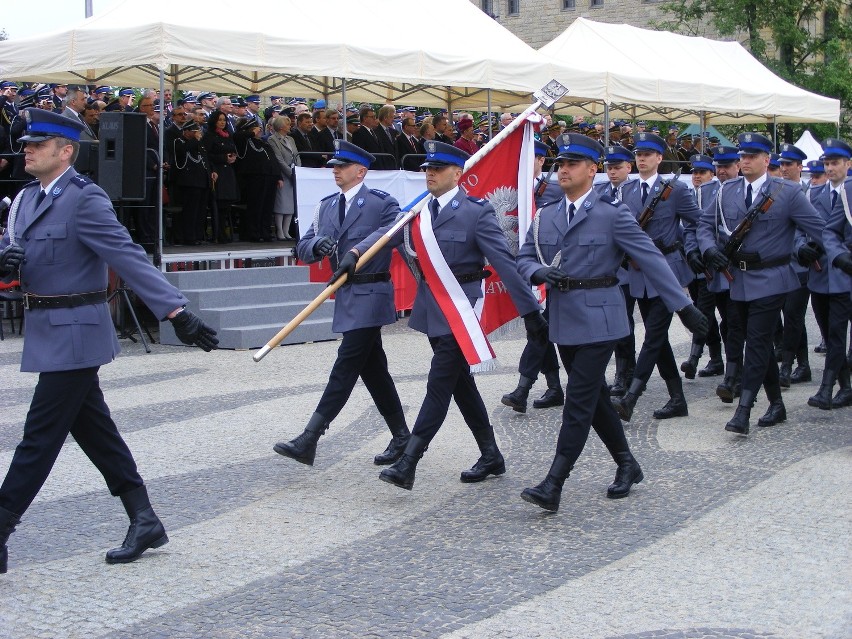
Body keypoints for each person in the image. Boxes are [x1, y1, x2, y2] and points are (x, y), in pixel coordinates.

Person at [0, 108, 218, 574]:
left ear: (66, 151)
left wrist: (175, 310)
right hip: (46, 330)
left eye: (38, 145)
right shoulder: (23, 200)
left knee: (38, 438)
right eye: (27, 145)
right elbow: (11, 253)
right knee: (94, 430)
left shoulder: (85, 198)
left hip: (77, 332)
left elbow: (127, 254)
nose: (28, 150)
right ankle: (144, 518)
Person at [515, 134, 707, 512]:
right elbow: (523, 256)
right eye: (560, 164)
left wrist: (683, 306)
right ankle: (627, 463)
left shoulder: (612, 214)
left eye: (572, 164)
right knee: (596, 397)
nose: (563, 170)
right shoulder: (546, 214)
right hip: (563, 319)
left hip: (601, 319)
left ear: (592, 169)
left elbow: (651, 259)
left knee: (579, 399)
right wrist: (538, 271)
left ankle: (554, 482)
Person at [352, 141, 548, 491]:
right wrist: (357, 252)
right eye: (427, 168)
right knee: (460, 382)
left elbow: (505, 263)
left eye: (438, 169)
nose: (430, 174)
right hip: (433, 309)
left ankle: (409, 461)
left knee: (439, 383)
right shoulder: (420, 211)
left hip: (462, 308)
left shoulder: (477, 212)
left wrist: (531, 312)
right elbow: (387, 233)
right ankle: (491, 454)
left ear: (457, 174)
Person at [274, 141, 411, 467]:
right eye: (334, 165)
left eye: (342, 165)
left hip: (372, 294)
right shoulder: (326, 207)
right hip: (347, 296)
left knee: (346, 364)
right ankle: (402, 435)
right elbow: (302, 246)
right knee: (373, 369)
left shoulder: (381, 204)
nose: (335, 170)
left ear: (360, 171)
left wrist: (355, 253)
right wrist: (316, 246)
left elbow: (390, 233)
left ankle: (310, 437)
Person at [698, 133, 826, 435]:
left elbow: (818, 228)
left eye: (752, 156)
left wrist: (808, 250)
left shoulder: (788, 192)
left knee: (755, 342)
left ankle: (744, 409)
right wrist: (709, 249)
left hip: (771, 279)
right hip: (737, 279)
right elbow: (705, 225)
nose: (745, 161)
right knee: (759, 342)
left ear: (767, 160)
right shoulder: (725, 191)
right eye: (742, 155)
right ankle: (777, 403)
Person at [610, 132, 703, 422]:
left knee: (653, 335)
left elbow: (698, 222)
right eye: (638, 154)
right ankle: (677, 398)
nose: (641, 159)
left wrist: (693, 250)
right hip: (638, 272)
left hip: (667, 269)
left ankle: (632, 396)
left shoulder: (674, 190)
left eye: (648, 154)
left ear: (660, 158)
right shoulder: (626, 191)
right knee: (658, 337)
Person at [501, 140, 565, 413]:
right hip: (523, 266)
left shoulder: (554, 189)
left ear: (541, 161)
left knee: (540, 329)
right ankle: (553, 387)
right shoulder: (513, 188)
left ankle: (523, 388)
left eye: (534, 158)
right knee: (537, 328)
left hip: (550, 268)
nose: (529, 163)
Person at [808, 138, 852, 409]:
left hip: (842, 275)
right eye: (827, 163)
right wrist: (802, 248)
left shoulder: (849, 190)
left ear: (848, 164)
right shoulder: (816, 194)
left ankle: (827, 388)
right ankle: (844, 387)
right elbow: (807, 229)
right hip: (823, 272)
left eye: (835, 162)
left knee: (836, 333)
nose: (830, 168)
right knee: (830, 332)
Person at [594, 143, 636, 397]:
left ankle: (626, 371)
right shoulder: (599, 191)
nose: (612, 172)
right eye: (609, 167)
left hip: (630, 267)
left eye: (617, 167)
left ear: (627, 168)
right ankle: (618, 370)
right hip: (609, 268)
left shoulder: (636, 192)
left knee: (625, 322)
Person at [680, 153, 725, 380]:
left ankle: (694, 358)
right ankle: (716, 358)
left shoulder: (718, 193)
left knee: (704, 312)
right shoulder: (690, 193)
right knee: (704, 312)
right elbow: (688, 228)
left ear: (712, 174)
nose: (697, 177)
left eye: (702, 173)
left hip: (714, 263)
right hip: (695, 264)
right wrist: (691, 252)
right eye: (695, 173)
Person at [201, 110, 240, 243]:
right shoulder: (209, 136)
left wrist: (233, 156)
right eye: (220, 120)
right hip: (217, 171)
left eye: (224, 120)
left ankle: (225, 233)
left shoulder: (228, 135)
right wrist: (224, 158)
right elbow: (206, 154)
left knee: (226, 206)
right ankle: (218, 234)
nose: (222, 122)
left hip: (228, 172)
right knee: (218, 205)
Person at [266, 115, 299, 240]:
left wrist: (298, 170)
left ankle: (286, 231)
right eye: (287, 124)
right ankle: (279, 231)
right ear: (280, 126)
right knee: (281, 204)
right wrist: (290, 173)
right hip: (282, 175)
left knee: (290, 204)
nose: (290, 126)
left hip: (293, 173)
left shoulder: (290, 139)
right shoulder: (273, 139)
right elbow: (278, 159)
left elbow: (297, 155)